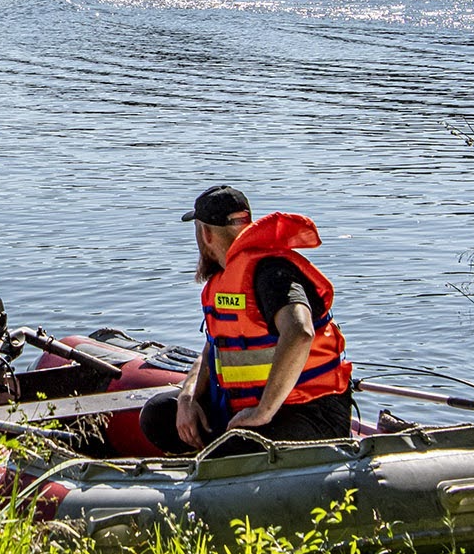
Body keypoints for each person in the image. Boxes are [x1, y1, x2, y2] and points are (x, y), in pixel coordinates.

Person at [140, 184, 353, 455]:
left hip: (308, 412)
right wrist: (188, 396)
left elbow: (300, 331)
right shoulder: (226, 278)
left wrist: (263, 412)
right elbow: (213, 347)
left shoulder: (270, 273)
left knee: (226, 455)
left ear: (205, 234)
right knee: (158, 415)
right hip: (246, 406)